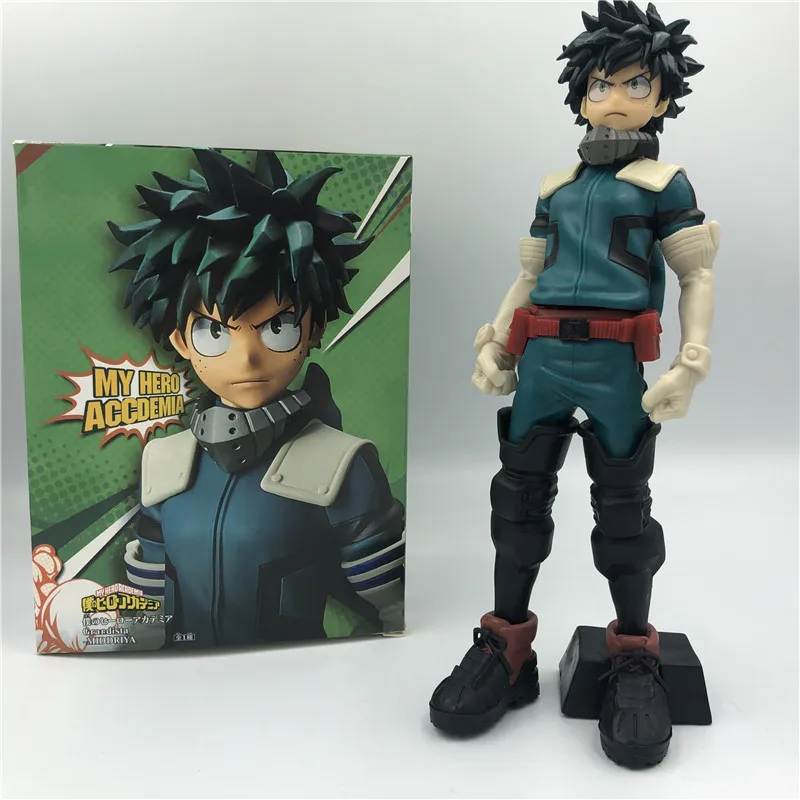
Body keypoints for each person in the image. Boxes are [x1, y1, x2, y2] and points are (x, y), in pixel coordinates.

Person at [429, 1, 717, 769]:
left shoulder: (664, 183)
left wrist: (692, 360)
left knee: (624, 512)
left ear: (662, 95)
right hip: (544, 358)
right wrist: (498, 340)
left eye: (634, 82)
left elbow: (695, 273)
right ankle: (506, 646)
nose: (614, 96)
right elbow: (528, 276)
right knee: (517, 502)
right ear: (579, 94)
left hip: (618, 363)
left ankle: (633, 654)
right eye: (599, 83)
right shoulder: (555, 187)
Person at [108, 148, 405, 647]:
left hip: (296, 673)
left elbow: (392, 605)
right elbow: (148, 603)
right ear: (180, 340)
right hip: (179, 676)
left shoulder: (340, 464)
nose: (247, 358)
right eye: (214, 333)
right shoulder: (163, 461)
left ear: (314, 328)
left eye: (278, 327)